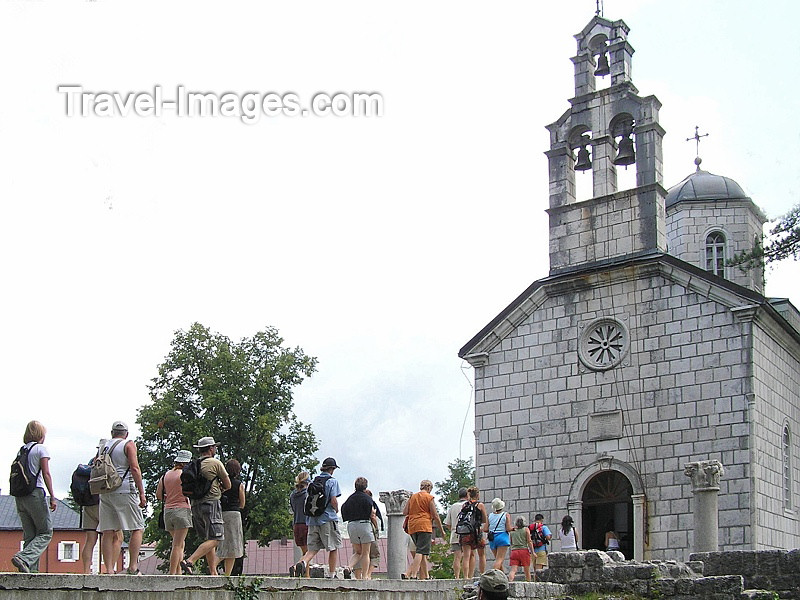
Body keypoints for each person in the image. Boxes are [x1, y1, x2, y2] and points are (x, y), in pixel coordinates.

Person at [97, 421, 147, 575]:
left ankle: (109, 569)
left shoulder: (103, 445)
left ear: (112, 432)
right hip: (125, 489)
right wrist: (141, 492)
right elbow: (134, 468)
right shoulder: (128, 444)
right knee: (137, 528)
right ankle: (132, 567)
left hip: (105, 490)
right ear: (126, 433)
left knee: (108, 531)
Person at [181, 437, 231, 575]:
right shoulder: (215, 463)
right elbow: (228, 485)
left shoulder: (194, 464)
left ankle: (213, 572)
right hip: (211, 503)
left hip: (195, 505)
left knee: (207, 539)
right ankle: (190, 561)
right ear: (210, 448)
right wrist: (221, 488)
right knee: (216, 539)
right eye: (214, 447)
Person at [11, 420, 56, 573]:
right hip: (35, 493)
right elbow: (46, 473)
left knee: (30, 535)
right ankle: (24, 558)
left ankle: (30, 570)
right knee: (45, 532)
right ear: (41, 435)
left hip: (20, 495)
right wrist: (52, 496)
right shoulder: (40, 449)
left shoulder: (22, 450)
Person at [291, 457, 343, 579]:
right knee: (333, 547)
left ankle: (302, 562)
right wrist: (336, 510)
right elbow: (333, 500)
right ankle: (331, 574)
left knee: (312, 549)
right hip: (327, 518)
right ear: (332, 469)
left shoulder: (313, 481)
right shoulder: (332, 481)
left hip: (312, 520)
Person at [155, 449, 193, 575]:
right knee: (177, 544)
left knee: (180, 543)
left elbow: (158, 495)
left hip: (168, 511)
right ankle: (172, 574)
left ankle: (178, 572)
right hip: (182, 510)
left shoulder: (165, 475)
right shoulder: (185, 475)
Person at [402, 479, 447, 580]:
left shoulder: (412, 497)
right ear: (429, 488)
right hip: (424, 525)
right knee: (421, 551)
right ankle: (413, 574)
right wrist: (442, 530)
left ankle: (426, 575)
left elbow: (405, 512)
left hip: (412, 526)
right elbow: (435, 515)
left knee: (422, 551)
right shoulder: (429, 497)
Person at [340, 476, 375, 579]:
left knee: (357, 552)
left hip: (351, 525)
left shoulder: (350, 498)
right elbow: (371, 513)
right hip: (364, 524)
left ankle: (349, 567)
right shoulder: (367, 498)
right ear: (366, 486)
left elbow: (343, 508)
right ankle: (364, 576)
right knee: (365, 552)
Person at [216, 458, 246, 576]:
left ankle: (217, 569)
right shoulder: (239, 485)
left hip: (221, 513)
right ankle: (226, 574)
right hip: (234, 514)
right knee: (233, 545)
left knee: (222, 543)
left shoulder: (221, 484)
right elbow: (242, 504)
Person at [80, 439, 104, 574]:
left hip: (87, 504)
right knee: (114, 537)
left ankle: (85, 571)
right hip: (101, 504)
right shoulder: (105, 463)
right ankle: (109, 569)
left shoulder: (90, 463)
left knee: (90, 540)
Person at [459, 486, 488, 579]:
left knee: (466, 555)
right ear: (478, 494)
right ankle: (482, 574)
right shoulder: (480, 505)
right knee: (481, 554)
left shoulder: (465, 505)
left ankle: (466, 577)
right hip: (476, 531)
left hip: (465, 531)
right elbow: (484, 519)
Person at [446, 487, 468, 578]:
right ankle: (466, 576)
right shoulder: (468, 505)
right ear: (467, 495)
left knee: (457, 557)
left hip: (455, 532)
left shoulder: (453, 506)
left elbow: (447, 523)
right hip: (467, 532)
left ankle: (457, 576)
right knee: (467, 556)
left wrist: (453, 529)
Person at [486, 498, 512, 570]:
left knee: (498, 560)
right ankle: (493, 574)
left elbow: (485, 529)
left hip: (492, 538)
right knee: (499, 560)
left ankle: (502, 578)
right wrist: (513, 528)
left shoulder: (489, 516)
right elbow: (508, 528)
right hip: (502, 536)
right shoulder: (505, 515)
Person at [507, 516, 534, 582]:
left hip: (514, 551)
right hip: (524, 550)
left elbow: (511, 542)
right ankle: (528, 582)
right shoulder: (526, 529)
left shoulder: (512, 531)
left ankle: (510, 581)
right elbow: (529, 541)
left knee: (513, 570)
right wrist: (533, 552)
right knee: (526, 569)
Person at [289, 471, 310, 556]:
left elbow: (293, 509)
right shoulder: (307, 494)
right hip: (306, 524)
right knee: (308, 553)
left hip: (296, 525)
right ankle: (295, 568)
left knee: (304, 553)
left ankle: (303, 568)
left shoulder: (292, 495)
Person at [528, 513, 551, 580]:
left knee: (535, 569)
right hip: (541, 550)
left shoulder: (530, 528)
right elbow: (548, 537)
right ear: (542, 520)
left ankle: (535, 581)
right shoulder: (543, 527)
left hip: (532, 551)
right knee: (539, 569)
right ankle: (538, 583)